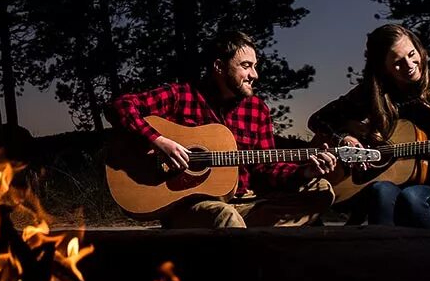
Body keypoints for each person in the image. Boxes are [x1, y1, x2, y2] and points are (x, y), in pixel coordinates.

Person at [109, 30, 337, 229]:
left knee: (321, 189)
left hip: (248, 203)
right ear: (219, 67)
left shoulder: (258, 110)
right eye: (246, 66)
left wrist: (305, 172)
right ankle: (245, 245)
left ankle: (241, 238)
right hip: (192, 206)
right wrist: (159, 141)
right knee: (225, 216)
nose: (254, 75)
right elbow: (120, 106)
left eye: (255, 67)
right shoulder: (183, 95)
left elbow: (266, 168)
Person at [307, 23, 430, 231]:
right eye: (397, 62)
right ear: (382, 67)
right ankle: (382, 256)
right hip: (394, 183)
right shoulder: (373, 94)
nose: (409, 65)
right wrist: (345, 139)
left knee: (412, 197)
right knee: (380, 190)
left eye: (412, 54)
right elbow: (319, 119)